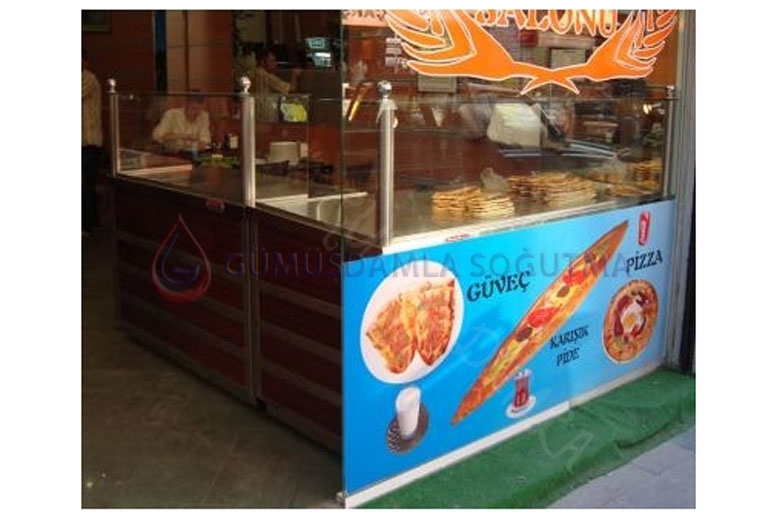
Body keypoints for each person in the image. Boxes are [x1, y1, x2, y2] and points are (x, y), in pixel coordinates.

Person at [82, 49, 103, 236]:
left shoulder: (88, 79)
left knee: (85, 185)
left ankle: (87, 225)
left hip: (90, 143)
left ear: (85, 61)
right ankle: (91, 221)